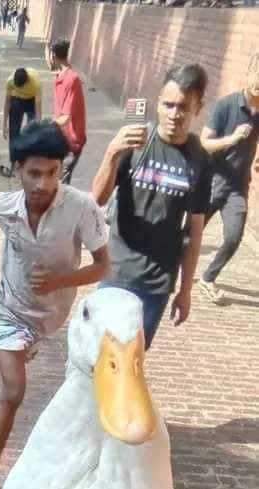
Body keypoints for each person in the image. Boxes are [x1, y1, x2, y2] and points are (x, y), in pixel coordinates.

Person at [0, 122, 109, 489]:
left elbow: (103, 266)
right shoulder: (7, 205)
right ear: (17, 170)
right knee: (14, 390)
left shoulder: (81, 208)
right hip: (10, 309)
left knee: (16, 356)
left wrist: (61, 280)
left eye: (52, 172)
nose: (43, 183)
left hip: (50, 316)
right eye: (34, 173)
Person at [92, 63, 212, 349]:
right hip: (116, 271)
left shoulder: (200, 160)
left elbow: (194, 232)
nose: (174, 114)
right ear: (158, 103)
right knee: (99, 356)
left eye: (183, 107)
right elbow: (96, 200)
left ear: (197, 108)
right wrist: (111, 153)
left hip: (157, 284)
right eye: (168, 105)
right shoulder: (135, 142)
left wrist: (185, 290)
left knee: (132, 362)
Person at [198, 53, 259, 303]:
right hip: (212, 181)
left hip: (237, 187)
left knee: (234, 237)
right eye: (257, 75)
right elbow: (204, 143)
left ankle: (208, 278)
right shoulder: (225, 106)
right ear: (249, 73)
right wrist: (232, 139)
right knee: (190, 234)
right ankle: (170, 268)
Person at [48, 39, 86, 184]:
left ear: (53, 56)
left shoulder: (71, 79)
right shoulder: (61, 76)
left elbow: (65, 118)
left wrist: (45, 126)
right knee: (56, 180)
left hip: (72, 142)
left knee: (61, 184)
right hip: (61, 138)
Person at [0, 66, 42, 177]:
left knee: (31, 133)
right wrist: (4, 125)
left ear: (27, 81)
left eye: (22, 87)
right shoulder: (10, 81)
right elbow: (7, 103)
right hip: (17, 100)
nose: (21, 89)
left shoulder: (35, 82)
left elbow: (38, 107)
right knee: (13, 133)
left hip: (31, 100)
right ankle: (13, 164)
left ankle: (29, 164)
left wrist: (38, 126)